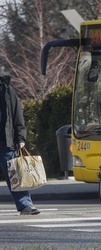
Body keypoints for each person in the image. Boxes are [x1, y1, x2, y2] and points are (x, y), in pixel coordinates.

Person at [0, 74, 40, 215]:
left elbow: (17, 113)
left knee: (14, 174)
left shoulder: (6, 88)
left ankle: (25, 205)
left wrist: (20, 137)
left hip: (5, 140)